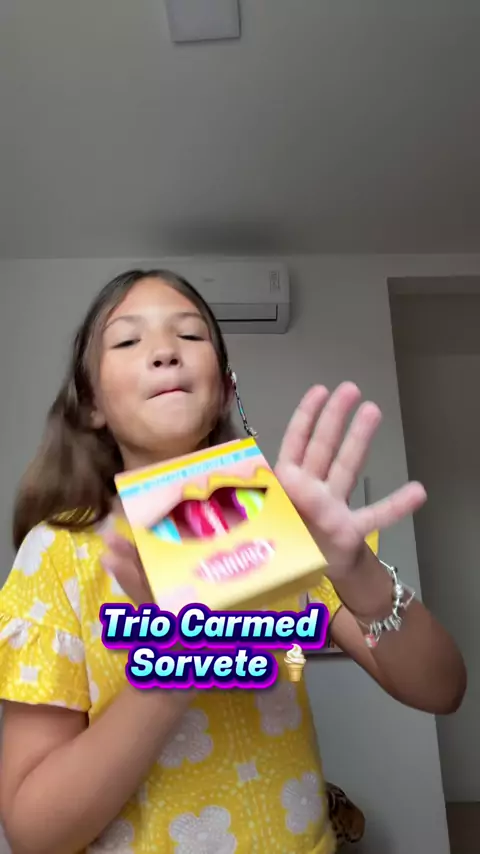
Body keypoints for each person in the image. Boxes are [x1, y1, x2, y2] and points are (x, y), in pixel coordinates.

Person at [0, 269, 466, 854]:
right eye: (128, 340)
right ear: (92, 402)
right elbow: (33, 833)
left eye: (190, 335)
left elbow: (442, 690)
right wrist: (172, 668)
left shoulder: (277, 524)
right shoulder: (57, 552)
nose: (165, 351)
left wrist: (356, 571)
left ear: (223, 388)